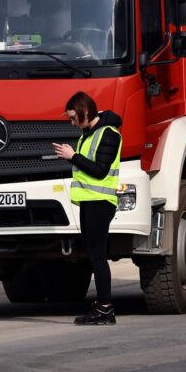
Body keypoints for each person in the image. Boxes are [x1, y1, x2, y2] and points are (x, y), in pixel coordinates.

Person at [52, 91, 123, 326]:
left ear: (85, 110)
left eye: (74, 117)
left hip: (100, 203)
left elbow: (100, 170)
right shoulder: (89, 133)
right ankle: (103, 306)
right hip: (89, 201)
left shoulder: (108, 134)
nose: (72, 122)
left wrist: (73, 157)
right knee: (94, 256)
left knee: (98, 257)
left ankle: (105, 309)